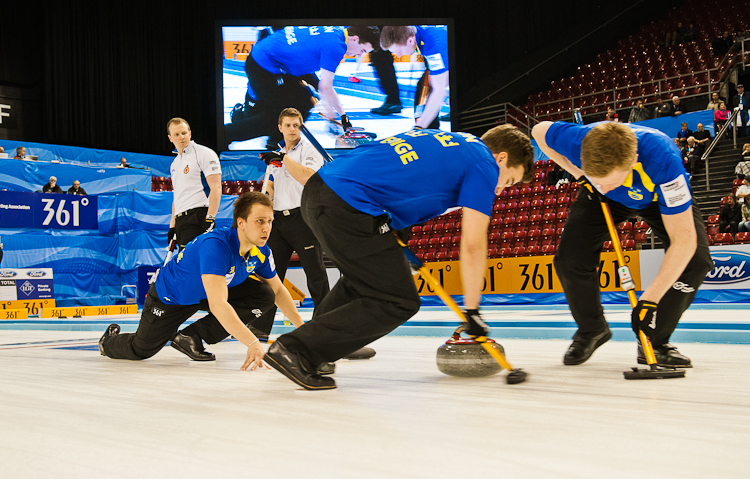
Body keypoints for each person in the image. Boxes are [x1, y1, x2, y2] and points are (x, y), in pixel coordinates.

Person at [263, 125, 535, 390]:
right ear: (501, 158)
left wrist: (396, 234)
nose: (500, 190)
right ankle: (295, 349)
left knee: (363, 283)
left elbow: (401, 176)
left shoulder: (448, 139)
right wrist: (473, 310)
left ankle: (314, 353)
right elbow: (474, 244)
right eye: (508, 180)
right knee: (398, 300)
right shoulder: (484, 162)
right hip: (348, 204)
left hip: (322, 193)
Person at [532, 120, 713, 369]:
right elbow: (538, 131)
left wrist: (649, 300)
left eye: (611, 181)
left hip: (654, 196)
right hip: (597, 196)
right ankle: (592, 329)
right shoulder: (577, 140)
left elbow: (684, 240)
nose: (606, 184)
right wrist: (581, 175)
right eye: (600, 178)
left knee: (696, 262)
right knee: (570, 260)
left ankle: (654, 340)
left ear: (633, 160)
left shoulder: (664, 162)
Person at [99, 192, 304, 367]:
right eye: (260, 221)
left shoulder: (261, 251)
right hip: (172, 296)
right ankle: (107, 342)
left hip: (206, 292)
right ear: (241, 223)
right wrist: (251, 342)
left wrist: (304, 331)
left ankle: (191, 337)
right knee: (141, 350)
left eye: (269, 221)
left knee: (265, 294)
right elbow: (218, 304)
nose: (267, 228)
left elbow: (278, 290)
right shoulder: (216, 246)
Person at [252, 109, 334, 343]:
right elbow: (269, 186)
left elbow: (307, 177)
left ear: (301, 127)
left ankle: (325, 328)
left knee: (316, 276)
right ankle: (260, 329)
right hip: (278, 220)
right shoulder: (277, 153)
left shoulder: (310, 149)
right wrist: (262, 214)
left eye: (296, 125)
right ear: (280, 127)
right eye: (287, 125)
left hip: (303, 218)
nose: (291, 129)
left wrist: (283, 159)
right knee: (271, 276)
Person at [225, 26, 380, 147]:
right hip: (265, 66)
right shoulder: (337, 46)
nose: (360, 55)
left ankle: (275, 139)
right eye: (363, 50)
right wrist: (336, 117)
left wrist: (342, 117)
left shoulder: (335, 31)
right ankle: (227, 133)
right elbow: (326, 87)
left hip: (276, 60)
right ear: (354, 39)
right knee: (279, 117)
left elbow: (319, 82)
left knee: (304, 101)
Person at [167, 118, 222, 250]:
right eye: (176, 134)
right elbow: (177, 197)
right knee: (186, 266)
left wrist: (210, 218)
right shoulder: (174, 164)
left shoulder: (204, 153)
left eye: (184, 133)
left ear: (190, 133)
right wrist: (172, 226)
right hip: (181, 221)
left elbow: (216, 187)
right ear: (170, 138)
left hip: (198, 217)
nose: (181, 137)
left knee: (197, 266)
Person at [380, 26, 449, 129]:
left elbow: (439, 91)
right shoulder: (413, 31)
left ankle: (426, 131)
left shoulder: (433, 44)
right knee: (425, 85)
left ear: (410, 40)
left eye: (399, 51)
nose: (398, 56)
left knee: (429, 87)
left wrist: (419, 127)